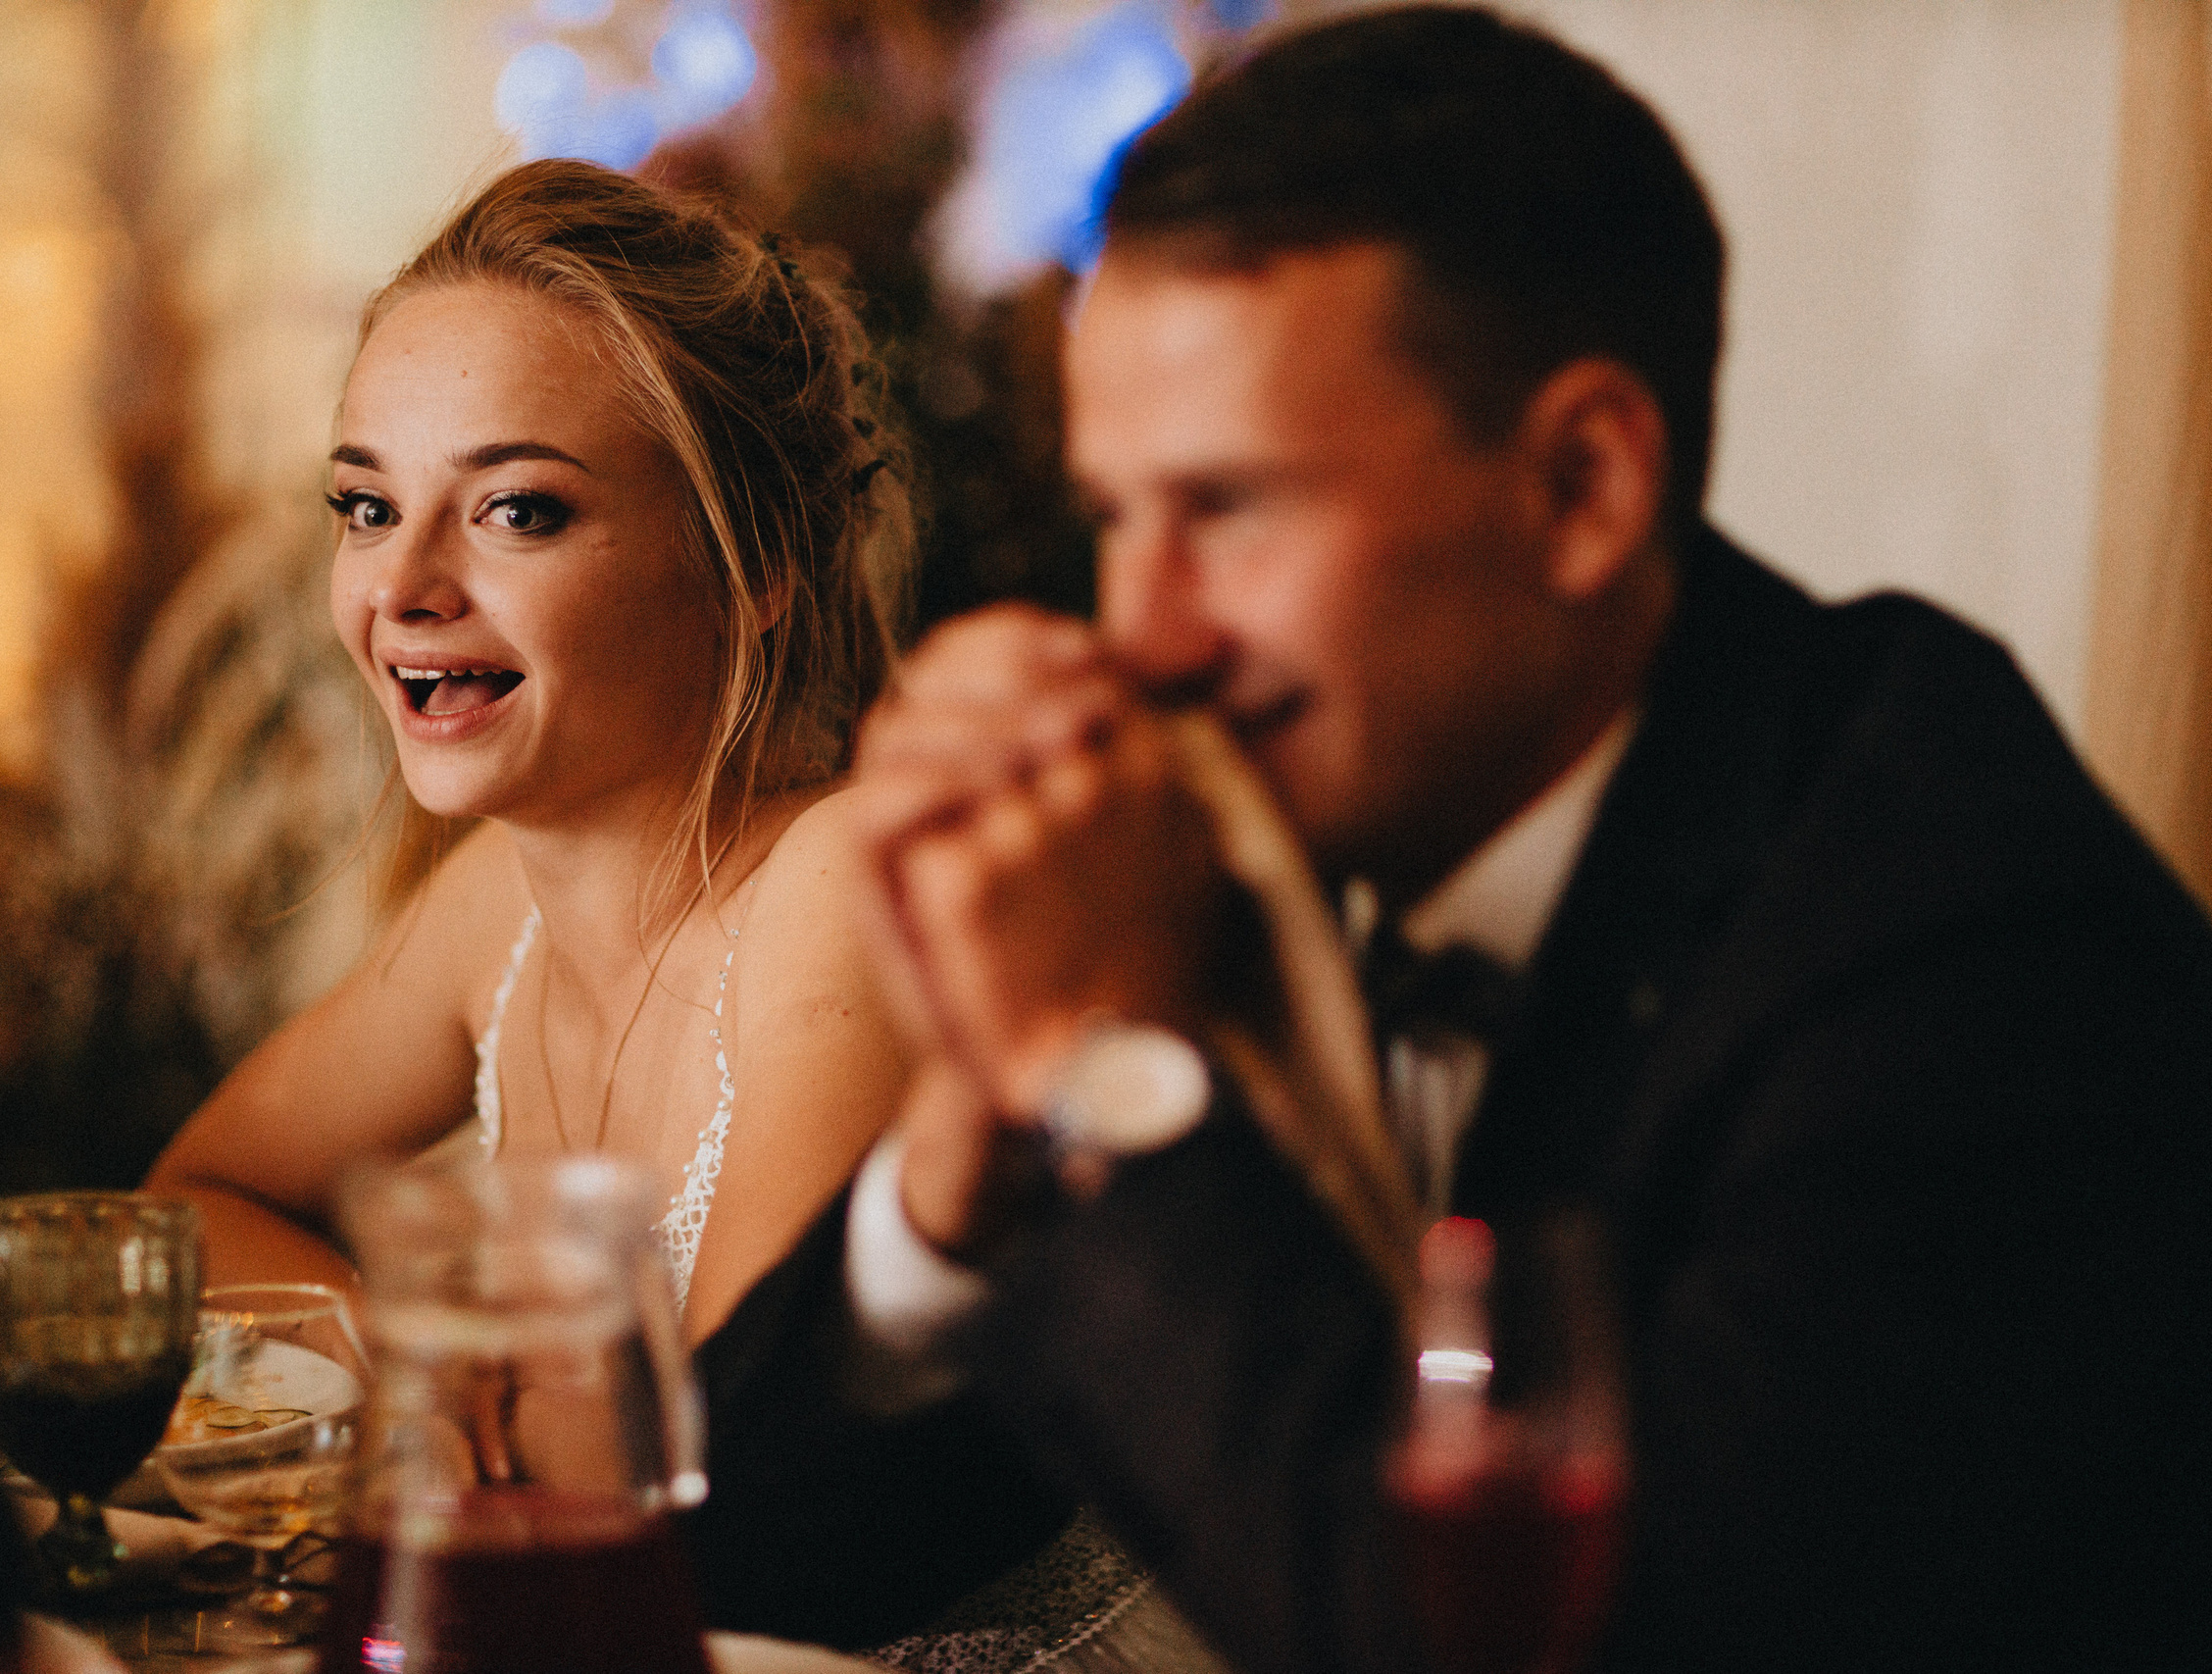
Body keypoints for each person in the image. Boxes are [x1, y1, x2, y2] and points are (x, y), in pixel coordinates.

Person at [702, 8, 2212, 1672]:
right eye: (1118, 517)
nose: (1145, 631)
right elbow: (748, 1553)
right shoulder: (1276, 834)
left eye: (1229, 510)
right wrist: (964, 1149)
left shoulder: (1969, 953)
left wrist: (1101, 1062)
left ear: (1581, 485)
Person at [144, 158, 917, 1343]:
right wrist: (418, 1381)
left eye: (516, 509)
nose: (399, 587)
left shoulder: (837, 885)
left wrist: (460, 1401)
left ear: (751, 565)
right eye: (367, 508)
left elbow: (727, 1478)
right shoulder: (494, 905)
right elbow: (192, 1208)